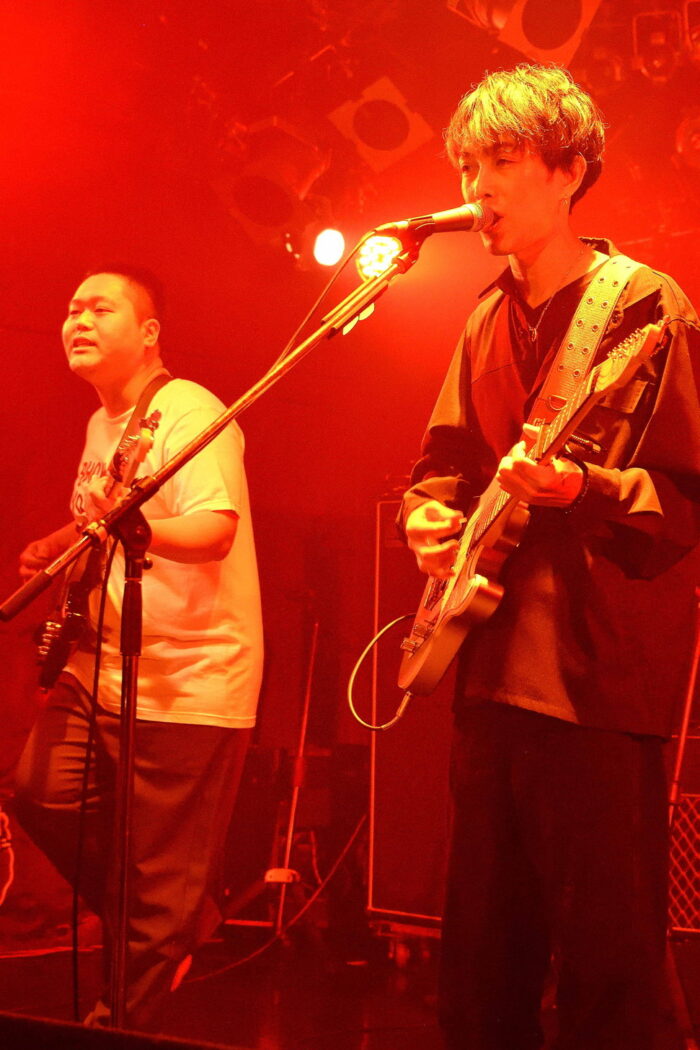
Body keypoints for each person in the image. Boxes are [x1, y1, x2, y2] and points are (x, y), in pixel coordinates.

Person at [399, 65, 700, 1050]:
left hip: (594, 682)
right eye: (465, 166)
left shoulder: (643, 304)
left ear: (568, 171)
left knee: (612, 967)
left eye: (498, 161)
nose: (474, 187)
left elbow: (685, 497)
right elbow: (443, 464)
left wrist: (584, 489)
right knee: (482, 964)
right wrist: (426, 520)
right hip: (486, 675)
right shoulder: (483, 317)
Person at [14, 267, 263, 1031]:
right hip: (104, 668)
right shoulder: (104, 425)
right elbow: (108, 515)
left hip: (189, 676)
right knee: (39, 791)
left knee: (161, 879)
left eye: (100, 308)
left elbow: (214, 528)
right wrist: (59, 541)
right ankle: (175, 915)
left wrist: (136, 527)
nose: (78, 319)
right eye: (71, 309)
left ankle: (122, 1013)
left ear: (150, 333)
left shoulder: (189, 411)